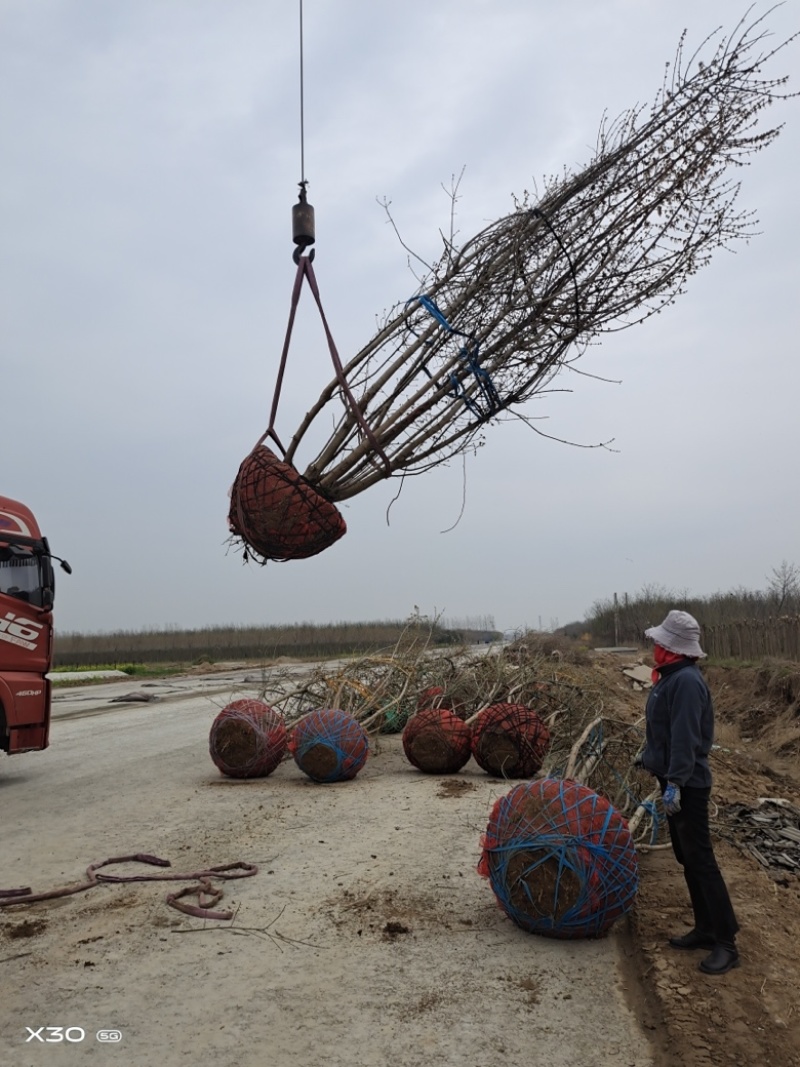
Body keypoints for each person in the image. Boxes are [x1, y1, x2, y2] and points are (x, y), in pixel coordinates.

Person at [639, 609, 740, 975]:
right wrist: (649, 757)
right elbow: (664, 732)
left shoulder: (685, 682)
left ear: (671, 648)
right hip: (673, 782)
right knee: (687, 858)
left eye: (659, 641)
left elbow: (686, 739)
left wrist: (676, 784)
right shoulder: (671, 678)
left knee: (702, 860)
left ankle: (726, 942)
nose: (654, 644)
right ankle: (705, 928)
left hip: (687, 786)